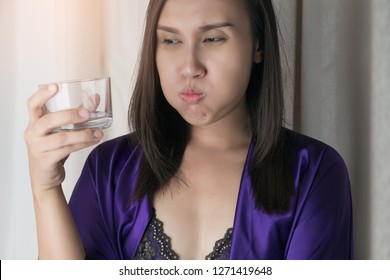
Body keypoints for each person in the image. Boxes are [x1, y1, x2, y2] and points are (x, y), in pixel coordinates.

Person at [24, 0, 354, 260]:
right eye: (171, 40)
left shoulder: (314, 172)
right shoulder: (109, 168)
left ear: (258, 45)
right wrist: (45, 187)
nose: (189, 67)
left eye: (212, 38)